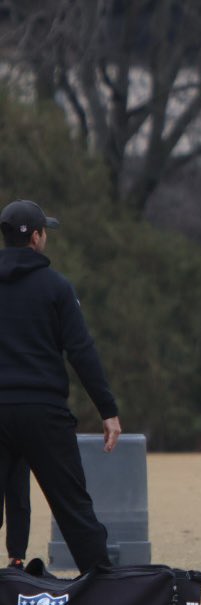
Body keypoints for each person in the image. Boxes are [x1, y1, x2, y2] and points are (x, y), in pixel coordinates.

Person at [0, 199, 122, 574]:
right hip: (44, 412)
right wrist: (108, 410)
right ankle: (103, 596)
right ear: (36, 238)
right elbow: (81, 352)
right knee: (73, 509)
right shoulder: (56, 287)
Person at [2, 458, 31, 568]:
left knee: (20, 498)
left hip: (22, 446)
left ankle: (16, 559)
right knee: (20, 498)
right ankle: (16, 557)